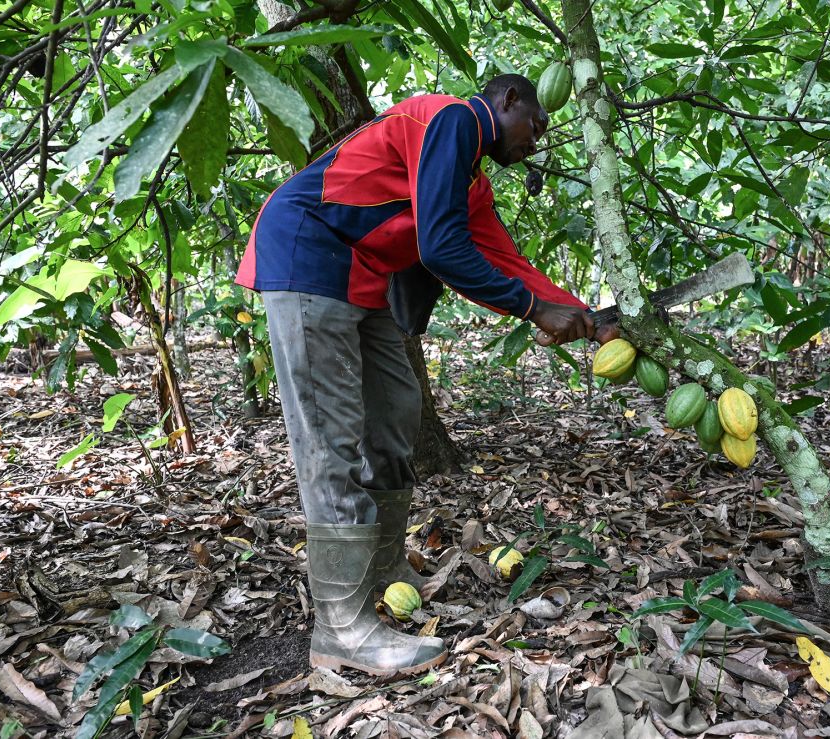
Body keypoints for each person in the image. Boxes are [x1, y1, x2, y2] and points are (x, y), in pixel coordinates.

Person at [235, 74, 618, 677]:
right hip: (306, 254)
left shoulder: (470, 182)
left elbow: (504, 262)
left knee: (394, 419)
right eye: (536, 126)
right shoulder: (450, 120)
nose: (535, 143)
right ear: (508, 100)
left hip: (362, 277)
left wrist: (586, 317)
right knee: (331, 440)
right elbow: (441, 249)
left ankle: (383, 572)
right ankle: (341, 627)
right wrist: (531, 309)